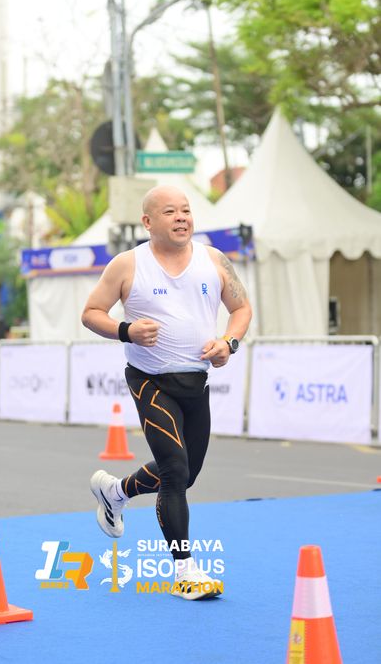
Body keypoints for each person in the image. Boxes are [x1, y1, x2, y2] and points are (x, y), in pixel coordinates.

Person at [81, 185, 252, 600]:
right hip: (151, 380)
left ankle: (116, 492)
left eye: (186, 211)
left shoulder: (214, 260)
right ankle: (185, 572)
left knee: (187, 474)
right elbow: (90, 313)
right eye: (170, 211)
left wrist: (228, 343)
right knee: (175, 471)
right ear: (148, 221)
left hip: (196, 382)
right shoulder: (127, 265)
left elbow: (241, 309)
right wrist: (126, 330)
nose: (181, 218)